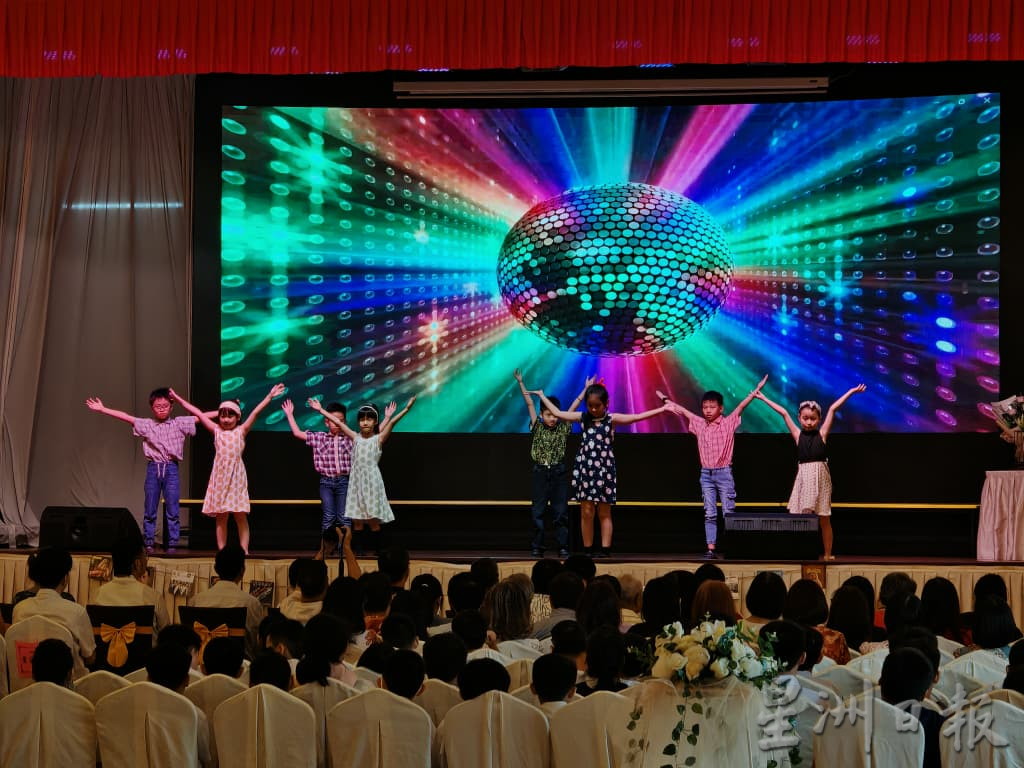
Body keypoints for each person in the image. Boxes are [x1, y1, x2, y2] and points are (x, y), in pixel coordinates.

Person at [533, 382, 668, 556]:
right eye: (590, 406)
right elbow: (559, 414)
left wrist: (662, 410)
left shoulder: (611, 419)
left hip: (604, 470)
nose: (594, 409)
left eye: (598, 406)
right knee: (586, 511)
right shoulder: (583, 418)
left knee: (604, 511)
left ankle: (605, 550)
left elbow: (637, 417)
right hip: (585, 469)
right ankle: (588, 550)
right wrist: (542, 396)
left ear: (606, 404)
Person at [86, 387, 213, 552]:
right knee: (150, 509)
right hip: (154, 469)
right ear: (152, 407)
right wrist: (103, 409)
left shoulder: (179, 423)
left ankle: (173, 544)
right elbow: (126, 417)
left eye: (165, 405)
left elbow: (201, 417)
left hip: (171, 469)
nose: (161, 408)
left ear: (171, 407)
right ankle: (148, 543)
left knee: (173, 509)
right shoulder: (147, 425)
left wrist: (225, 410)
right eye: (157, 406)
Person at [657, 375, 768, 559]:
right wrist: (664, 398)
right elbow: (682, 410)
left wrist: (756, 391)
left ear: (721, 408)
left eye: (712, 407)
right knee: (709, 513)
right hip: (706, 475)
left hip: (724, 473)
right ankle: (711, 548)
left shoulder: (728, 422)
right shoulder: (699, 424)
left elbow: (741, 406)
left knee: (728, 512)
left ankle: (733, 547)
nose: (708, 411)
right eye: (705, 407)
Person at [754, 384, 866, 560]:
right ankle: (802, 552)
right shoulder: (798, 435)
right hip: (805, 477)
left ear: (819, 419)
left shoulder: (822, 435)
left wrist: (851, 391)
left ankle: (828, 554)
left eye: (812, 419)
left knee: (824, 518)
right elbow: (783, 412)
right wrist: (764, 398)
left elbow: (833, 408)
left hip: (820, 477)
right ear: (799, 418)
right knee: (802, 518)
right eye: (805, 418)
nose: (808, 422)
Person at [169, 383, 285, 552]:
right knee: (221, 516)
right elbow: (197, 412)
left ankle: (244, 550)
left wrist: (269, 396)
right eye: (222, 416)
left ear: (238, 417)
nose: (225, 419)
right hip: (221, 477)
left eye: (230, 416)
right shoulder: (216, 431)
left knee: (240, 515)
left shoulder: (241, 431)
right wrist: (178, 398)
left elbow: (256, 412)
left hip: (236, 477)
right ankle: (222, 550)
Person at [311, 396, 415, 553]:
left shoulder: (378, 439)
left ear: (375, 422)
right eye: (362, 420)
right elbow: (339, 423)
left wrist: (405, 409)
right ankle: (357, 552)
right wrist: (320, 410)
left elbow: (391, 423)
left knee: (373, 521)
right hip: (356, 482)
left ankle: (379, 551)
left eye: (369, 419)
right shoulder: (355, 437)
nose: (365, 422)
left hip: (372, 482)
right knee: (357, 520)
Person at [513, 369, 589, 557]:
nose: (552, 418)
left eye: (554, 415)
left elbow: (573, 406)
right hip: (540, 471)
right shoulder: (536, 425)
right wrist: (521, 382)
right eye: (548, 415)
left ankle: (562, 546)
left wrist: (586, 389)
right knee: (537, 511)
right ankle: (537, 546)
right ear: (542, 415)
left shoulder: (563, 427)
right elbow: (530, 403)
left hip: (558, 472)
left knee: (560, 511)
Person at [281, 398, 370, 536]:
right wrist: (289, 414)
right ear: (326, 422)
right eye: (333, 420)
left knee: (344, 517)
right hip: (326, 482)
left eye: (340, 420)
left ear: (344, 422)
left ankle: (343, 549)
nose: (336, 423)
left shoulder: (349, 438)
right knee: (329, 516)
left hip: (344, 481)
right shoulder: (320, 437)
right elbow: (298, 433)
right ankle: (326, 548)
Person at [12, 547, 95, 678]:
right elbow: (90, 657)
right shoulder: (76, 612)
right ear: (64, 579)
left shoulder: (19, 610)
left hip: (26, 688)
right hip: (71, 692)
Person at [188, 544, 264, 659]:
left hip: (203, 667)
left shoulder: (195, 601)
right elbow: (255, 644)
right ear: (242, 571)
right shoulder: (251, 603)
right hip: (239, 668)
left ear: (216, 568)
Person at [94, 535, 170, 632]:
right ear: (137, 564)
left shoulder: (97, 595)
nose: (146, 560)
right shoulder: (153, 597)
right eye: (145, 556)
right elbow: (167, 637)